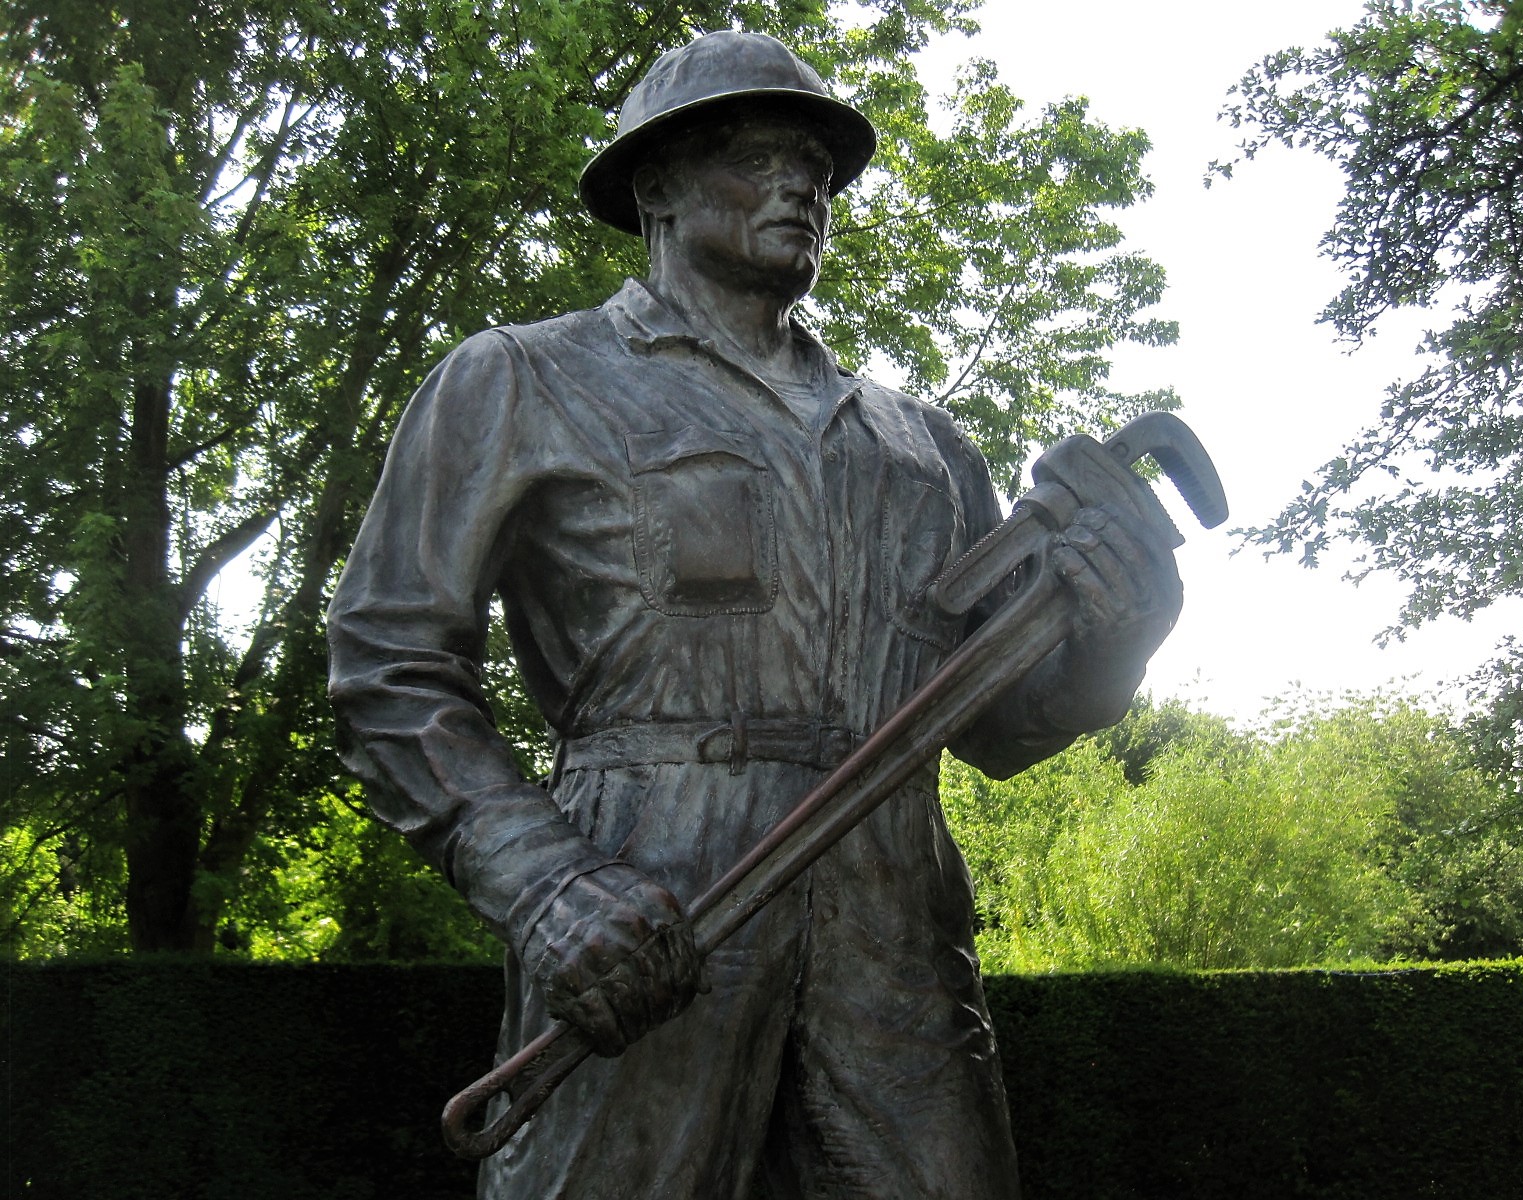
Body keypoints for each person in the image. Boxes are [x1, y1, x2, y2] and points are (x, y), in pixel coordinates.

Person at [327, 30, 1181, 1200]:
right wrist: (542, 883)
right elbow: (388, 662)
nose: (801, 189)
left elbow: (994, 721)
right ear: (657, 187)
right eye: (757, 159)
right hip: (650, 904)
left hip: (894, 939)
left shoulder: (923, 447)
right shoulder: (522, 380)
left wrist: (1118, 641)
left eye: (816, 171)